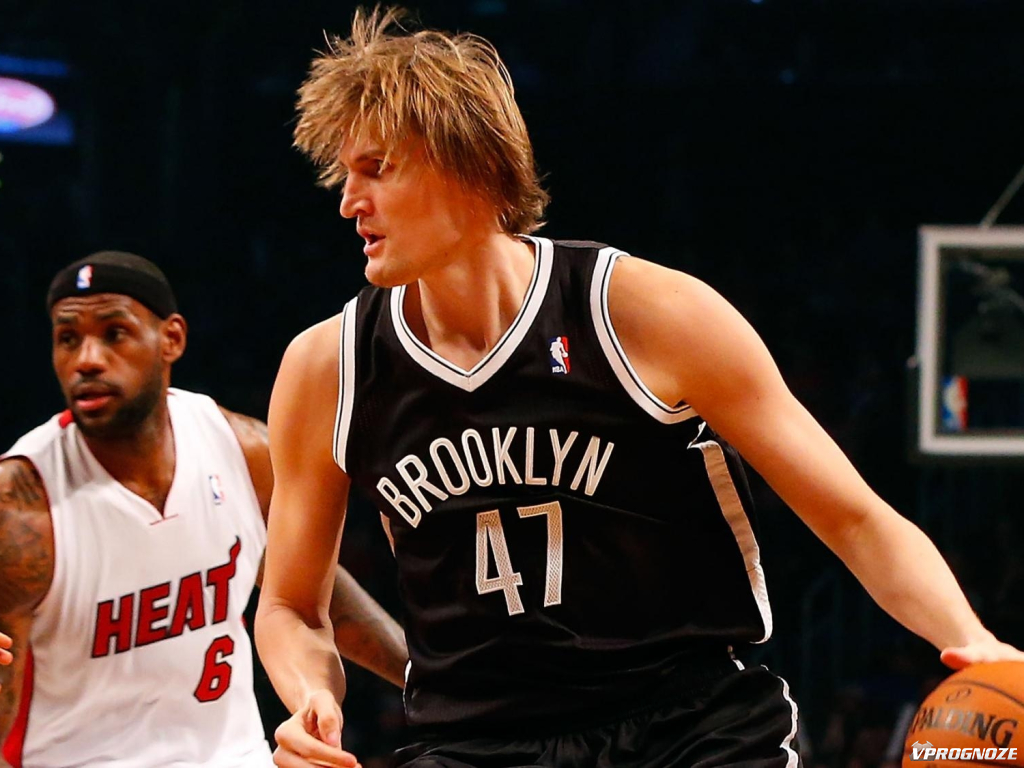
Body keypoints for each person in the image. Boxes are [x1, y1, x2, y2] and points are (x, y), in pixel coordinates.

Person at [254, 8, 1024, 768]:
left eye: (376, 169)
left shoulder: (645, 315)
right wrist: (310, 696)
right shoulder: (329, 368)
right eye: (344, 175)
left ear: (468, 164)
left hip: (688, 730)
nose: (349, 201)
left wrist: (974, 642)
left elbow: (854, 518)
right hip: (475, 742)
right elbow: (290, 605)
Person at [0, 251, 408, 768]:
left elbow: (318, 598)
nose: (87, 359)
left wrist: (425, 675)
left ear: (171, 338)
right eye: (67, 339)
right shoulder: (20, 506)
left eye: (114, 333)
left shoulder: (243, 451)